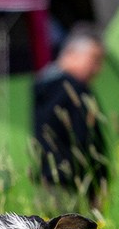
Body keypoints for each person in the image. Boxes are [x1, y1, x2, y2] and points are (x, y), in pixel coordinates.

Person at [33, 24, 109, 211]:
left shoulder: (43, 84)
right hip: (74, 183)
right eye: (95, 59)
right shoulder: (74, 89)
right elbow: (85, 140)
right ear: (72, 53)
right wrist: (97, 184)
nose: (97, 69)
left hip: (48, 179)